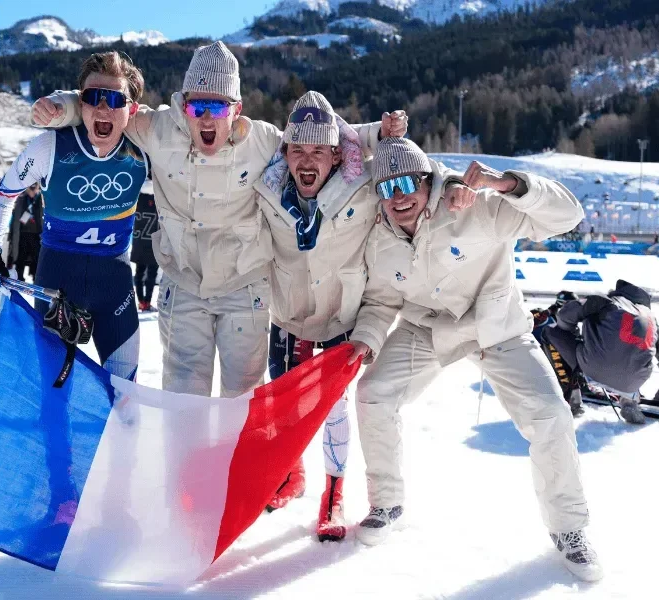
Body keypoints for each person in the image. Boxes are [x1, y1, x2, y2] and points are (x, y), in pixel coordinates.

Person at [31, 40, 406, 398]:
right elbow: (107, 105)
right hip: (184, 281)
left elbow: (317, 136)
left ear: (237, 110)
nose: (207, 118)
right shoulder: (158, 130)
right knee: (184, 396)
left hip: (244, 285)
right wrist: (61, 106)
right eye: (197, 108)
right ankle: (186, 466)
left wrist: (377, 134)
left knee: (240, 398)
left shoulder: (261, 140)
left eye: (219, 108)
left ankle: (235, 467)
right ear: (184, 107)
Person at [348, 138, 601, 581]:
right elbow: (381, 300)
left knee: (550, 415)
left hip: (497, 327)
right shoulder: (380, 241)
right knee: (373, 393)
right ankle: (386, 501)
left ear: (428, 181)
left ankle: (570, 529)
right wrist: (366, 340)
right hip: (426, 328)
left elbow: (568, 216)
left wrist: (509, 185)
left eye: (409, 182)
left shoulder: (478, 206)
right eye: (387, 188)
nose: (400, 196)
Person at [253, 91, 393, 541]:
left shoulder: (364, 186)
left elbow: (412, 173)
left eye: (318, 151)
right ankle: (290, 475)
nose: (307, 160)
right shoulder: (267, 189)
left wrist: (454, 188)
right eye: (298, 150)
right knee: (282, 408)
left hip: (339, 320)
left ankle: (333, 493)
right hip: (288, 319)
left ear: (336, 155)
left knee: (332, 410)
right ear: (286, 153)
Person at [0, 51, 148, 382]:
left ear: (131, 109)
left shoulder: (144, 151)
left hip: (114, 286)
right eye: (92, 97)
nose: (103, 107)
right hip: (57, 278)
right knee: (53, 395)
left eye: (114, 98)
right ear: (79, 103)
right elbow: (3, 195)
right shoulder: (50, 146)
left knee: (124, 401)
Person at [544, 279, 659, 425]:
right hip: (632, 382)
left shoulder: (604, 301)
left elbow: (564, 316)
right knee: (636, 352)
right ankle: (630, 399)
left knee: (551, 331)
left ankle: (573, 394)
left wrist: (576, 337)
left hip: (592, 366)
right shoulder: (651, 319)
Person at [531, 290, 585, 417]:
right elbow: (529, 320)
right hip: (538, 356)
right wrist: (546, 312)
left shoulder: (570, 326)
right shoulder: (546, 316)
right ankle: (570, 399)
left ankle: (576, 389)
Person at [131, 178, 159, 311]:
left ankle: (141, 302)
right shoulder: (161, 195)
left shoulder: (137, 195)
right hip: (156, 240)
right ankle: (147, 302)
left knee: (139, 273)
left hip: (139, 240)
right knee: (152, 274)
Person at [6, 183, 44, 281]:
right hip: (22, 234)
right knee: (20, 258)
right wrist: (11, 236)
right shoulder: (21, 199)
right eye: (30, 188)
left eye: (34, 187)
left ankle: (37, 280)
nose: (32, 190)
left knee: (37, 259)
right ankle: (19, 280)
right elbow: (15, 219)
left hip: (37, 235)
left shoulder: (42, 200)